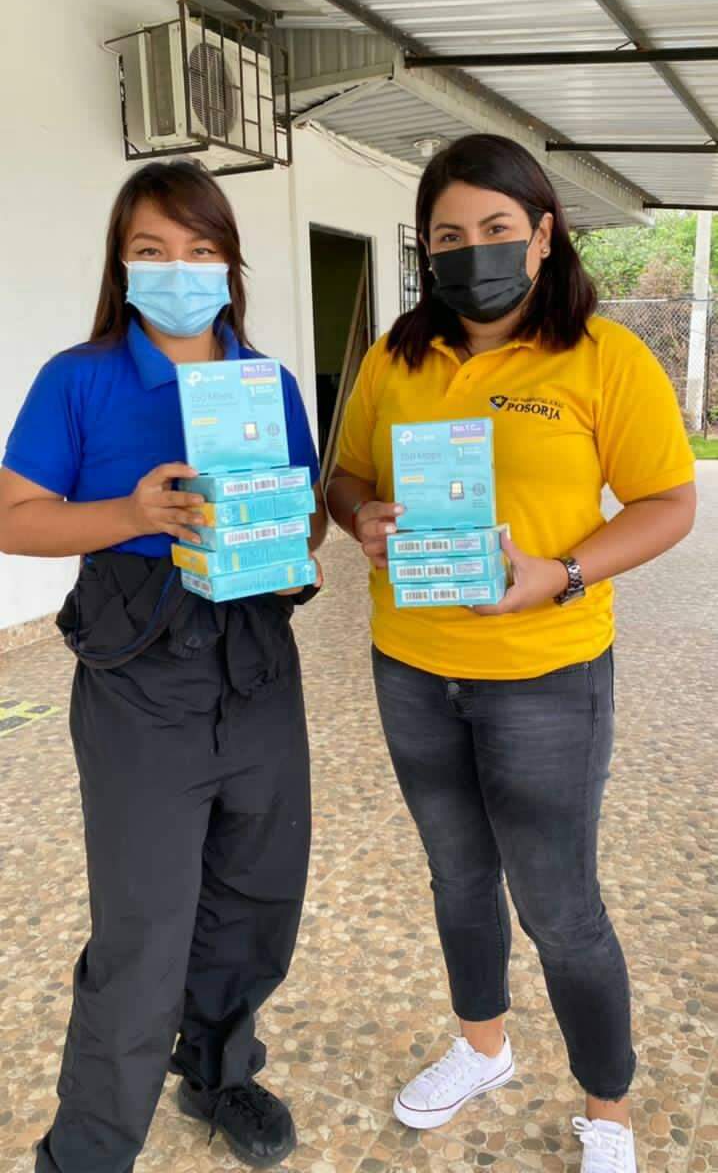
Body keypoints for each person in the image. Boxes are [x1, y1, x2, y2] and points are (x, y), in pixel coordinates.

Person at [327, 134, 696, 1173]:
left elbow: (668, 502)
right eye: (448, 235)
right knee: (456, 876)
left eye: (496, 227)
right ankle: (483, 1047)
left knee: (559, 906)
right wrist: (360, 517)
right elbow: (345, 478)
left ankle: (607, 1108)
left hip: (546, 675)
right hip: (412, 665)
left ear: (542, 236)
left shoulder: (604, 356)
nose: (472, 249)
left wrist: (563, 572)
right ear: (425, 248)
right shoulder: (394, 358)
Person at [0, 160, 327, 1173]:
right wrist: (132, 512)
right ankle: (88, 1151)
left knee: (256, 895)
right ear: (122, 265)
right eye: (153, 250)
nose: (178, 268)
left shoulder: (268, 382)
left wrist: (286, 538)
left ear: (230, 265)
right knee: (143, 928)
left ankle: (219, 1071)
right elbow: (14, 517)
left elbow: (307, 514)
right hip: (141, 671)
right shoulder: (79, 377)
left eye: (200, 248)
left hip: (256, 660)